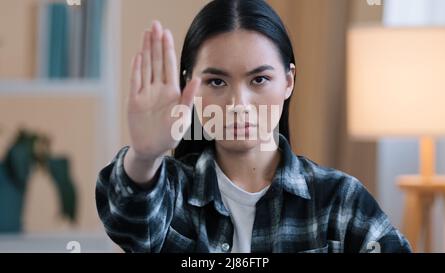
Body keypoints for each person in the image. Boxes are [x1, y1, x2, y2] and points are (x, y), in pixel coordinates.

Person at [96, 0, 411, 253]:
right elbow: (127, 218)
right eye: (216, 81)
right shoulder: (171, 195)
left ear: (288, 81)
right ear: (189, 86)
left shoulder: (340, 202)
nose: (238, 104)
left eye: (259, 79)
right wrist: (144, 156)